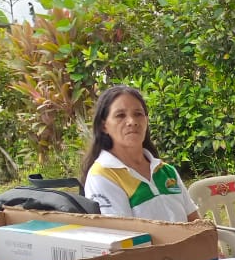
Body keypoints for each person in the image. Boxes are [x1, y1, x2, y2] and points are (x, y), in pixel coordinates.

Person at [82, 85, 200, 223]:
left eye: (138, 114)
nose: (132, 122)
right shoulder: (103, 176)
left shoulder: (166, 171)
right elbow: (123, 233)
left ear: (146, 120)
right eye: (120, 115)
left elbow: (195, 222)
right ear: (104, 126)